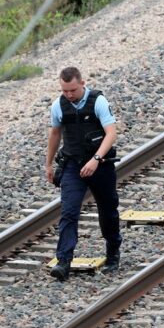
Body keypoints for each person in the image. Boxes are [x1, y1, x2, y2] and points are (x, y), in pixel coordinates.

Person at [45, 67, 121, 281]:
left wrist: (96, 160)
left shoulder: (98, 102)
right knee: (68, 212)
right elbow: (55, 134)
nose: (69, 95)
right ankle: (63, 261)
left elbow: (111, 133)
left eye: (73, 90)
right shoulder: (58, 106)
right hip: (73, 165)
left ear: (82, 83)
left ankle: (113, 251)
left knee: (108, 210)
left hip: (101, 164)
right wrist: (48, 164)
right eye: (65, 90)